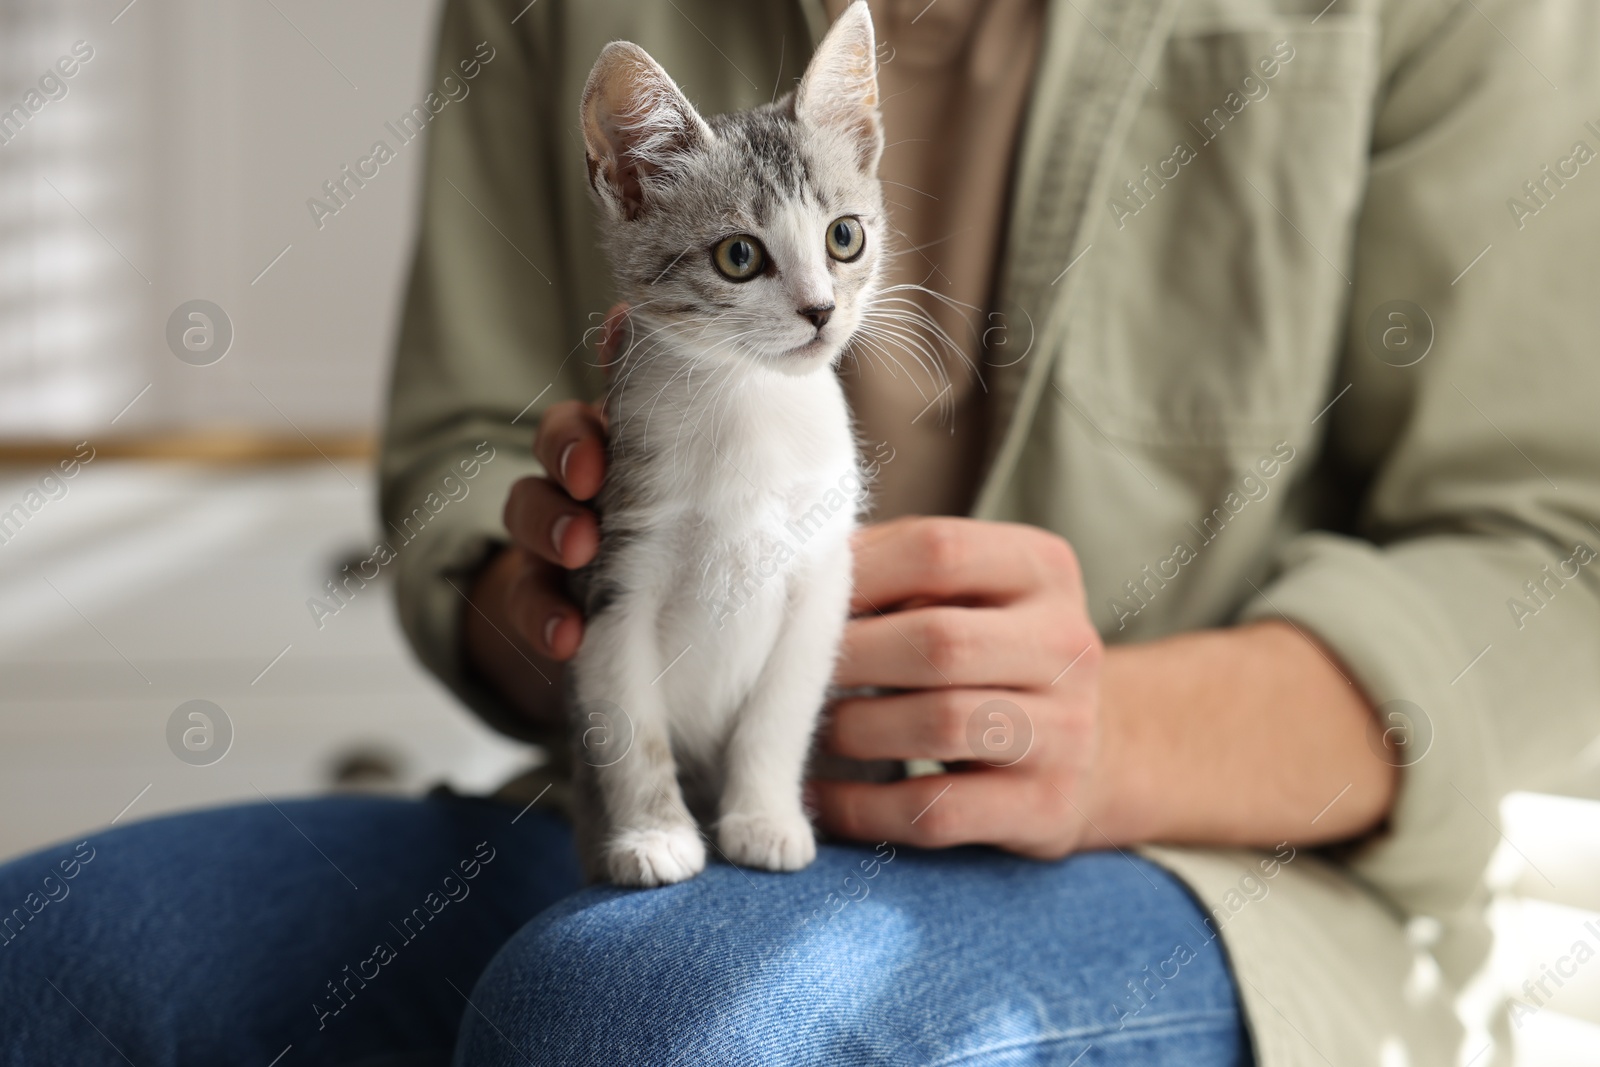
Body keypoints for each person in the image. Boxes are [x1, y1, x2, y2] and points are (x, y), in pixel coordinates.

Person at [3, 0, 1597, 1064]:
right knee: (49, 951)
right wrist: (541, 589)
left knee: (655, 1016)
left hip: (1216, 856)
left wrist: (1127, 736)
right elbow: (457, 451)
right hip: (657, 779)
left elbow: (1558, 546)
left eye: (840, 242)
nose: (827, 289)